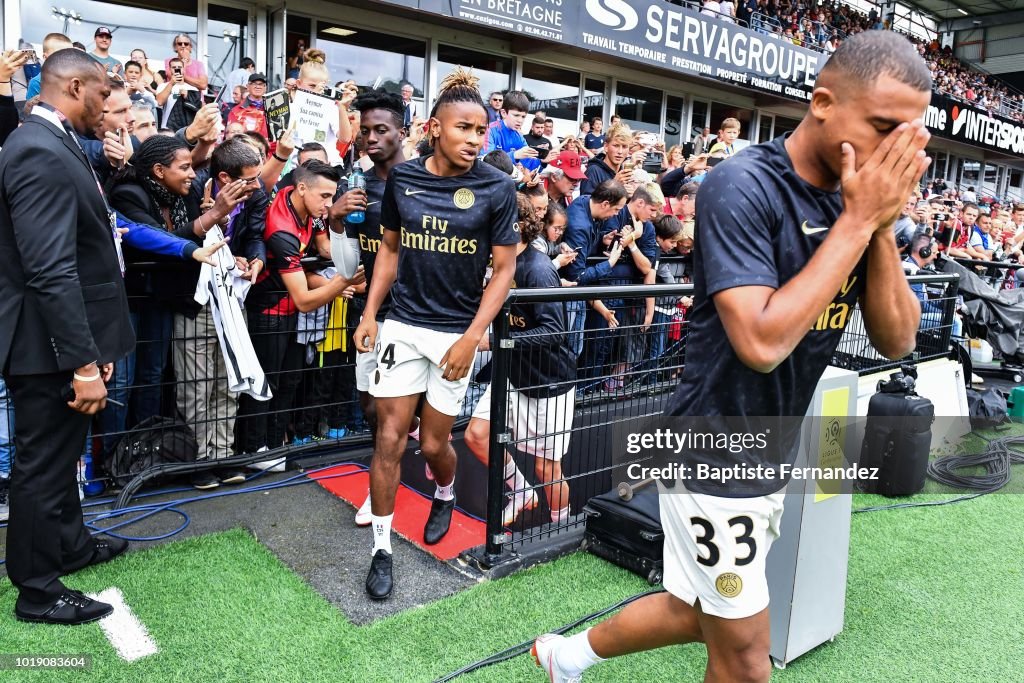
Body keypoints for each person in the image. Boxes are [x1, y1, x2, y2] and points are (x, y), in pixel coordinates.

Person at [533, 30, 932, 682]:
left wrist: (879, 224)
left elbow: (898, 339)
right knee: (747, 659)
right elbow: (762, 342)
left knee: (695, 610)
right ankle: (568, 656)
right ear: (824, 101)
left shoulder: (861, 199)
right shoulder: (742, 184)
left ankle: (565, 655)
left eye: (907, 135)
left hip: (768, 447)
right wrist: (858, 223)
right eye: (883, 126)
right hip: (708, 453)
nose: (894, 150)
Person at [353, 68, 518, 601]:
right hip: (403, 324)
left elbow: (506, 271)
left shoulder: (496, 187)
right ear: (434, 126)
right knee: (388, 437)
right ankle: (381, 549)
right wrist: (370, 313)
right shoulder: (402, 180)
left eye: (481, 131)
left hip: (455, 334)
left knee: (433, 443)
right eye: (465, 128)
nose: (474, 139)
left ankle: (444, 491)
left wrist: (473, 336)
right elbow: (390, 251)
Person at [0, 47, 135, 625]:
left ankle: (72, 546)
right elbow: (50, 268)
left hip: (59, 340)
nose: (109, 110)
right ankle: (36, 590)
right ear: (76, 86)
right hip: (44, 345)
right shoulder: (37, 149)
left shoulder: (50, 144)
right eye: (104, 95)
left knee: (62, 457)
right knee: (43, 466)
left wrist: (93, 351)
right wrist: (82, 361)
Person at [235, 160, 364, 464]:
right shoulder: (280, 229)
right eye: (324, 196)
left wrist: (353, 262)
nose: (328, 204)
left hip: (290, 310)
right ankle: (253, 450)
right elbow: (305, 298)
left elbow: (323, 250)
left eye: (332, 196)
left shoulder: (311, 208)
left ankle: (274, 444)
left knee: (289, 380)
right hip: (268, 311)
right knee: (265, 381)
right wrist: (343, 281)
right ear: (302, 188)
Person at [464, 194, 577, 527]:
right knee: (476, 435)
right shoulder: (502, 264)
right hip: (513, 375)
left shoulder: (538, 269)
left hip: (548, 383)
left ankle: (561, 526)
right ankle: (522, 492)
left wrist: (495, 342)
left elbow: (555, 331)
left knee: (547, 468)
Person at [326, 89, 410, 525]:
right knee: (369, 404)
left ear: (403, 132)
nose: (370, 138)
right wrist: (336, 220)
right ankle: (387, 472)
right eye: (365, 130)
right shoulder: (356, 186)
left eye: (382, 130)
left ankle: (388, 490)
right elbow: (346, 266)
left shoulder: (421, 182)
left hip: (417, 318)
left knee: (400, 418)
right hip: (374, 316)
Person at [25, 33, 73, 100]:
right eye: (59, 55)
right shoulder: (37, 83)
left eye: (69, 55)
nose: (65, 59)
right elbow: (31, 109)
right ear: (45, 57)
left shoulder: (73, 79)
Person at [227, 72, 269, 140]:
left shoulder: (272, 109)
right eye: (254, 84)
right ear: (247, 87)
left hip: (270, 149)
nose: (258, 87)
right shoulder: (236, 111)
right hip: (245, 149)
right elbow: (231, 138)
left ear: (265, 88)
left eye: (261, 84)